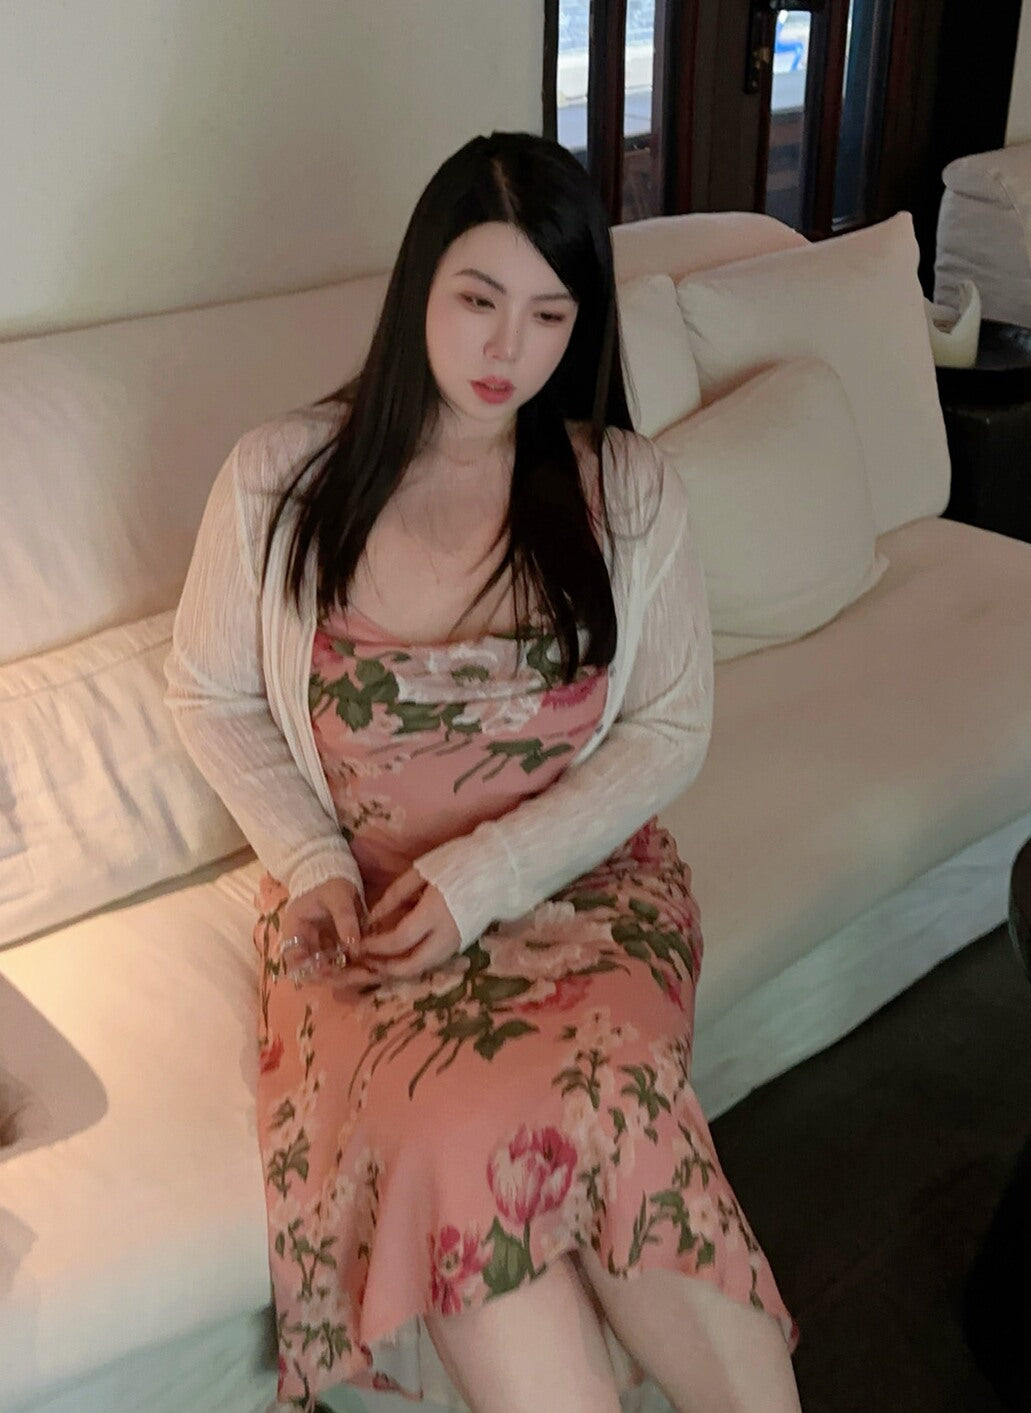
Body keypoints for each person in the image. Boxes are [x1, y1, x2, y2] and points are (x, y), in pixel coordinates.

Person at [166, 130, 800, 1413]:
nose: (508, 347)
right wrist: (311, 860)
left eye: (549, 314)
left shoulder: (625, 491)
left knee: (606, 1091)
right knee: (453, 1125)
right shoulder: (278, 481)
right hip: (370, 914)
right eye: (477, 298)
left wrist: (488, 873)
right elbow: (209, 694)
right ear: (419, 285)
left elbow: (667, 729)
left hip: (581, 892)